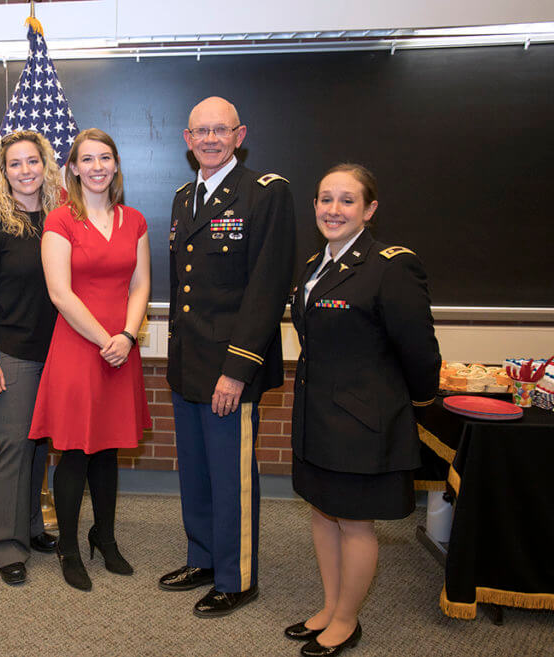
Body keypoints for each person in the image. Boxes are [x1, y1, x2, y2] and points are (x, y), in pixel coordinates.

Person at [287, 164, 439, 656]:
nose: (333, 209)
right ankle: (331, 607)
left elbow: (419, 349)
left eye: (347, 200)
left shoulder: (390, 266)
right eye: (325, 199)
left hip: (361, 421)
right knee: (323, 512)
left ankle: (347, 620)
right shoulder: (316, 264)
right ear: (314, 207)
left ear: (370, 210)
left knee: (354, 521)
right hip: (316, 415)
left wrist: (414, 405)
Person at [161, 97, 295, 616]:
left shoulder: (265, 194)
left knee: (231, 475)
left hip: (228, 368)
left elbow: (266, 290)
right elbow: (182, 287)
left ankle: (237, 578)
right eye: (201, 131)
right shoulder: (183, 197)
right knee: (195, 471)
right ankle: (204, 558)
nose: (210, 139)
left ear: (240, 135)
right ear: (187, 139)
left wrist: (237, 371)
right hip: (187, 361)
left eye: (221, 130)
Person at [28, 128, 152, 591]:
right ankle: (69, 547)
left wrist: (126, 336)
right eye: (87, 159)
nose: (97, 166)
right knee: (76, 451)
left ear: (116, 164)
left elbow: (140, 285)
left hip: (120, 348)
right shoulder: (60, 220)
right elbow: (60, 293)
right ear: (74, 168)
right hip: (81, 347)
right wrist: (107, 339)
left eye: (106, 158)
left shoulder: (135, 219)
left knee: (108, 449)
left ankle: (106, 536)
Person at [0, 131, 62, 585]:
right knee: (14, 446)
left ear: (46, 166)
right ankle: (5, 545)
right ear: (2, 173)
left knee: (39, 443)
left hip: (53, 354)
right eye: (15, 164)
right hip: (5, 354)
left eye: (32, 161)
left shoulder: (61, 221)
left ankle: (30, 526)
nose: (25, 170)